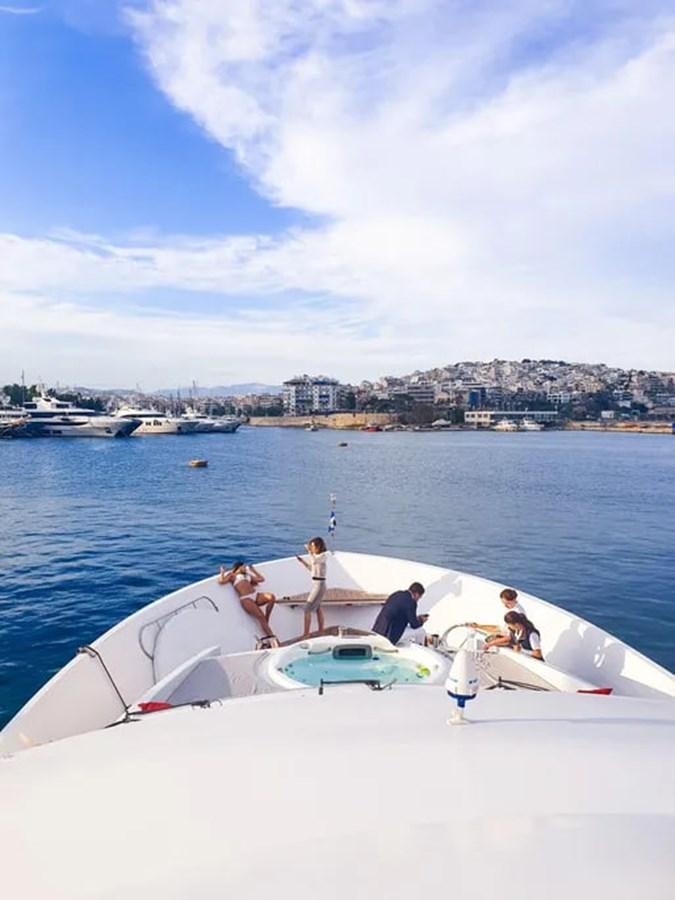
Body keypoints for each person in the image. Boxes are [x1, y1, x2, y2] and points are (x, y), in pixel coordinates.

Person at [218, 561, 277, 640]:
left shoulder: (247, 575)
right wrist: (222, 572)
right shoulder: (232, 575)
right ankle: (271, 637)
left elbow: (261, 579)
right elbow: (221, 581)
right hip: (246, 598)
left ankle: (267, 618)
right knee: (260, 616)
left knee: (271, 597)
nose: (245, 568)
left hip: (256, 595)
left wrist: (253, 570)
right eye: (243, 567)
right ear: (238, 568)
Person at [296, 537, 329, 637]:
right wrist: (302, 562)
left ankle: (306, 634)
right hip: (317, 583)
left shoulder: (323, 556)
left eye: (313, 546)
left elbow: (314, 561)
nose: (312, 548)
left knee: (307, 609)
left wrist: (309, 552)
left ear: (318, 546)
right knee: (318, 607)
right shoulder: (317, 557)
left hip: (319, 585)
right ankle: (321, 631)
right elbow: (312, 569)